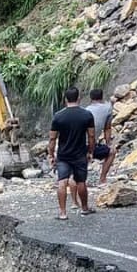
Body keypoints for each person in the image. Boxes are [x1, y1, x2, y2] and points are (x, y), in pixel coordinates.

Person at [49, 87, 96, 219]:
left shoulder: (58, 116)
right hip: (80, 154)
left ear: (65, 100)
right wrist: (91, 151)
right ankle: (85, 208)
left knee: (62, 181)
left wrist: (51, 154)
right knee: (81, 181)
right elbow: (91, 136)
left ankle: (63, 213)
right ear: (79, 98)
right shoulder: (86, 115)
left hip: (63, 155)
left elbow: (52, 138)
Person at [86, 88, 115, 185]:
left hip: (80, 146)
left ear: (90, 98)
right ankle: (102, 179)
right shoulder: (107, 109)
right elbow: (107, 128)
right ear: (102, 97)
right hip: (91, 145)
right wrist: (108, 143)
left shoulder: (86, 110)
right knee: (112, 152)